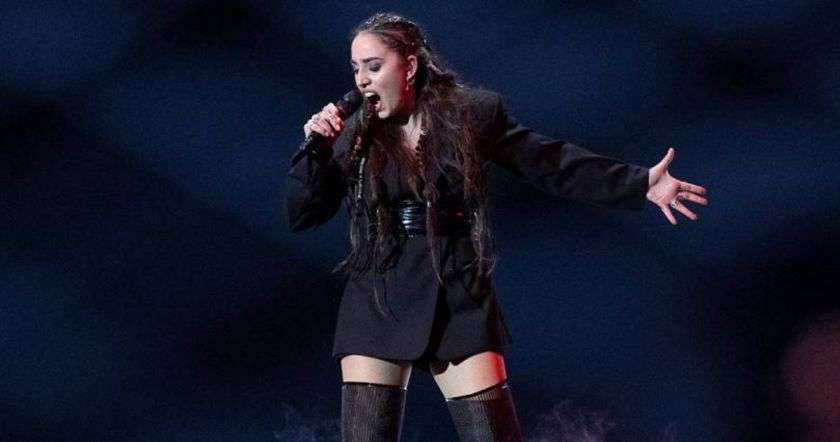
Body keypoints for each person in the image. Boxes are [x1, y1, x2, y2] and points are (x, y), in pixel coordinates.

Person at [286, 12, 708, 442]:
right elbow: (303, 215)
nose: (362, 80)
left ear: (409, 66)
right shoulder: (353, 133)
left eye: (374, 66)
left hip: (456, 291)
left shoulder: (471, 113)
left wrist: (640, 183)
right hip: (379, 294)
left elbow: (548, 161)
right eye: (356, 68)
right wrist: (315, 152)